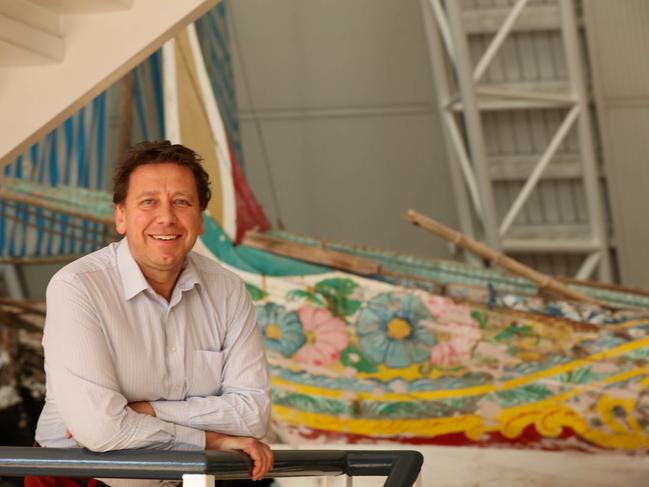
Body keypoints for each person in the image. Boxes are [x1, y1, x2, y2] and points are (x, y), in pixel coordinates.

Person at [27, 141, 273, 486]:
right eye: (149, 202)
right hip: (77, 478)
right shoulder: (77, 286)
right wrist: (212, 439)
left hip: (179, 480)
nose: (167, 217)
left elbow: (253, 418)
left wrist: (150, 410)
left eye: (182, 202)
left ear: (200, 219)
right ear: (120, 217)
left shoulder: (227, 290)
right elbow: (100, 431)